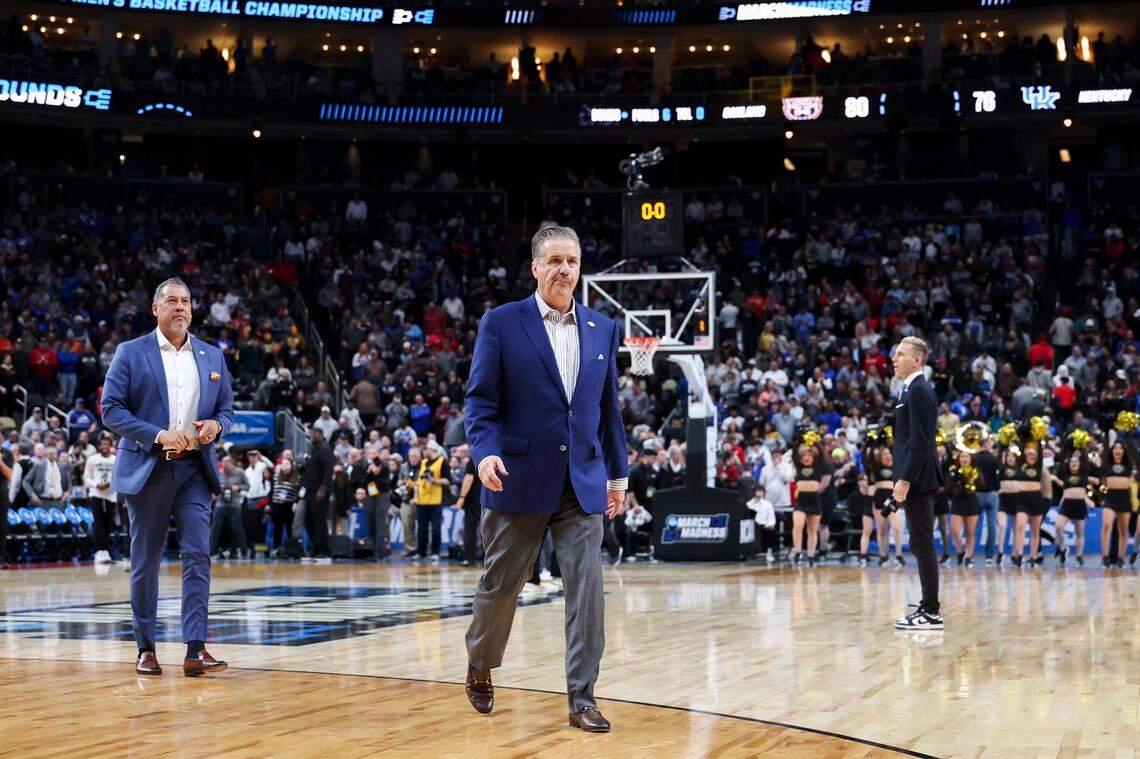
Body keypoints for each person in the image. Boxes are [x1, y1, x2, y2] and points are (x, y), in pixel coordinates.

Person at [463, 226, 628, 732]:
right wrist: (484, 455)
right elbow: (480, 401)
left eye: (573, 261)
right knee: (501, 584)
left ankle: (583, 697)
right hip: (515, 479)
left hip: (582, 483)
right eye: (554, 260)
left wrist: (617, 476)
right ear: (534, 268)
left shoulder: (603, 327)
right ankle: (480, 662)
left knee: (587, 592)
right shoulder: (501, 322)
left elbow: (608, 408)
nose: (564, 269)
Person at [101, 277, 234, 677]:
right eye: (172, 301)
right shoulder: (130, 352)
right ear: (155, 309)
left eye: (186, 301)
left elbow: (227, 407)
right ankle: (146, 648)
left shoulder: (213, 356)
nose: (180, 307)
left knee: (198, 555)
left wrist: (216, 426)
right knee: (146, 561)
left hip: (194, 468)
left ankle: (195, 648)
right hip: (149, 467)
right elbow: (110, 410)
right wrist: (157, 434)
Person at [890, 336, 944, 631]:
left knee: (922, 543)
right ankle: (927, 606)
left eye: (900, 354)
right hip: (916, 477)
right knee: (919, 542)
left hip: (920, 478)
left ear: (918, 360)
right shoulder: (909, 389)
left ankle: (931, 612)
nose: (894, 359)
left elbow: (920, 440)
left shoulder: (920, 390)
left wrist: (906, 478)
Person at [1052, 450, 1094, 566]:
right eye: (1071, 461)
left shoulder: (1084, 474)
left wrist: (1081, 447)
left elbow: (1085, 460)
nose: (1074, 463)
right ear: (1068, 464)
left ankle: (1079, 556)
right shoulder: (1065, 474)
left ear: (1080, 464)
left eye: (1076, 461)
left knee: (1079, 533)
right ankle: (1062, 548)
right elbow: (1061, 459)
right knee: (1058, 527)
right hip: (1067, 504)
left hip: (1080, 505)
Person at [83, 435, 118, 563]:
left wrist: (109, 484)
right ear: (99, 446)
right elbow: (86, 478)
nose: (105, 446)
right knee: (98, 523)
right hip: (96, 494)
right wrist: (97, 484)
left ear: (111, 446)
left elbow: (118, 477)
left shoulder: (115, 460)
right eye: (103, 444)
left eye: (107, 444)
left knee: (109, 524)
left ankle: (107, 550)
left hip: (111, 495)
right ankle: (99, 551)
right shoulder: (92, 460)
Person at [413, 442, 450, 561]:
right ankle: (421, 552)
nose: (424, 451)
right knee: (421, 528)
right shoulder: (423, 462)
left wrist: (434, 480)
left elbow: (448, 481)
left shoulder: (442, 461)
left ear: (433, 450)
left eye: (427, 449)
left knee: (435, 528)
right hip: (421, 500)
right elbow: (418, 480)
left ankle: (435, 552)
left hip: (435, 500)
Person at [1099, 440, 1133, 568]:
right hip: (1110, 499)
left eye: (1120, 448)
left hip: (1124, 500)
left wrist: (1129, 433)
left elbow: (1130, 448)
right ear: (1112, 451)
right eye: (1115, 448)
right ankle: (1105, 556)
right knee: (1107, 524)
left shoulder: (1128, 466)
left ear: (1124, 451)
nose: (1117, 450)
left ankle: (1120, 558)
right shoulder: (1107, 464)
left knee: (1123, 531)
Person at [790, 444, 826, 566]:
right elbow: (794, 452)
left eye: (809, 454)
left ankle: (811, 556)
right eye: (804, 454)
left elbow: (821, 453)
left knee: (812, 530)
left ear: (813, 457)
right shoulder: (798, 467)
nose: (807, 456)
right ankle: (798, 551)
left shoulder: (818, 467)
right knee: (798, 525)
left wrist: (814, 442)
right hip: (801, 501)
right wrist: (799, 439)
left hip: (814, 501)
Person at [210, 455, 249, 558]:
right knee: (215, 528)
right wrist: (214, 492)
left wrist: (239, 487)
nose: (224, 467)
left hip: (234, 505)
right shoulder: (219, 472)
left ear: (231, 463)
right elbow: (212, 486)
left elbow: (248, 486)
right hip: (220, 505)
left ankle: (244, 551)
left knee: (237, 529)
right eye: (223, 464)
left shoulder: (239, 472)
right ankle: (211, 551)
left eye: (227, 464)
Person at [947, 450, 980, 567]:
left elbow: (982, 485)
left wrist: (972, 481)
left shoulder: (975, 471)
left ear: (971, 458)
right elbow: (948, 489)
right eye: (962, 456)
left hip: (971, 502)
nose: (964, 458)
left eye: (967, 456)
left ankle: (969, 556)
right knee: (954, 530)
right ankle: (961, 551)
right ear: (958, 458)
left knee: (970, 531)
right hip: (958, 502)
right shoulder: (954, 471)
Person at [1016, 446, 1048, 566]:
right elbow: (1022, 445)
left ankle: (1033, 555)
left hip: (1036, 499)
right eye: (1029, 453)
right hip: (1022, 499)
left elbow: (1039, 452)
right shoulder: (1020, 465)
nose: (1031, 455)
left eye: (1034, 454)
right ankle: (1019, 554)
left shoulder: (1039, 466)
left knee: (1035, 530)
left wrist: (1038, 438)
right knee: (1020, 525)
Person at [456, 445, 482, 566]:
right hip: (485, 500)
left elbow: (468, 480)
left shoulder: (472, 461)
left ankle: (469, 557)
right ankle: (486, 558)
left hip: (472, 500)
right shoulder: (485, 458)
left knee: (470, 530)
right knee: (486, 530)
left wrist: (461, 498)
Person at [268, 457, 300, 557]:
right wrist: (269, 504)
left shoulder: (296, 477)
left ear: (291, 466)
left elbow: (298, 492)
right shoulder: (276, 476)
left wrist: (296, 502)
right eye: (283, 463)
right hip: (277, 505)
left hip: (289, 505)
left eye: (287, 463)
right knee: (277, 529)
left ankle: (291, 549)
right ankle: (276, 549)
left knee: (290, 528)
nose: (284, 465)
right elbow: (271, 491)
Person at [747, 483, 777, 561]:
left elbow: (772, 518)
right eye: (758, 491)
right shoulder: (748, 504)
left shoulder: (768, 504)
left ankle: (769, 553)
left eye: (761, 491)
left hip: (764, 525)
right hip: (752, 526)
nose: (760, 493)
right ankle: (749, 553)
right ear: (754, 492)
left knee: (771, 531)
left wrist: (769, 524)